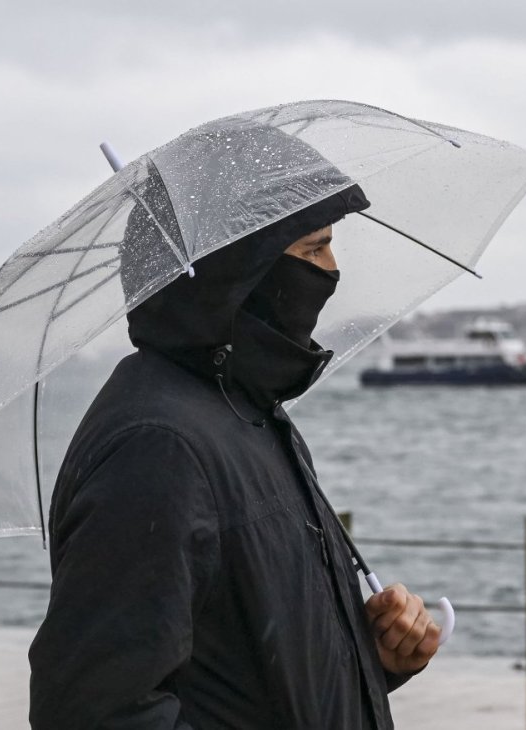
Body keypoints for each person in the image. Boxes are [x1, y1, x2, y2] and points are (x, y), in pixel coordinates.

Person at [28, 180, 440, 729]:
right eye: (313, 249)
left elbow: (240, 659)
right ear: (239, 271)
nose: (332, 270)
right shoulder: (158, 445)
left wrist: (368, 660)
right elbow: (97, 710)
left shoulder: (246, 409)